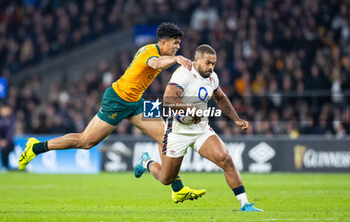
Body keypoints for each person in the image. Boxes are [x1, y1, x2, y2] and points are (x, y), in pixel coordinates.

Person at [19, 22, 205, 202]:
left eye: (179, 44)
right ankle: (35, 147)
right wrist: (175, 59)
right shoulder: (149, 52)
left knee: (166, 137)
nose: (178, 47)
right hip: (117, 100)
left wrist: (174, 59)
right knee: (86, 141)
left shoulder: (157, 51)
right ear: (163, 42)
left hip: (137, 101)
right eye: (175, 43)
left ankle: (176, 188)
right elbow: (156, 63)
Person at [134, 44, 263, 211]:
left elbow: (221, 98)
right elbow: (168, 99)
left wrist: (236, 119)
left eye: (213, 64)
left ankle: (245, 204)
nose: (211, 67)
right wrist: (190, 110)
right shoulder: (184, 74)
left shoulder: (212, 78)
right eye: (207, 63)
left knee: (225, 158)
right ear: (196, 60)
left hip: (200, 129)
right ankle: (147, 162)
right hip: (178, 131)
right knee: (166, 179)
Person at [0, 103, 15, 170]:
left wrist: (6, 141)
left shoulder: (11, 119)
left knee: (5, 149)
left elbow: (10, 132)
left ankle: (5, 166)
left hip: (8, 143)